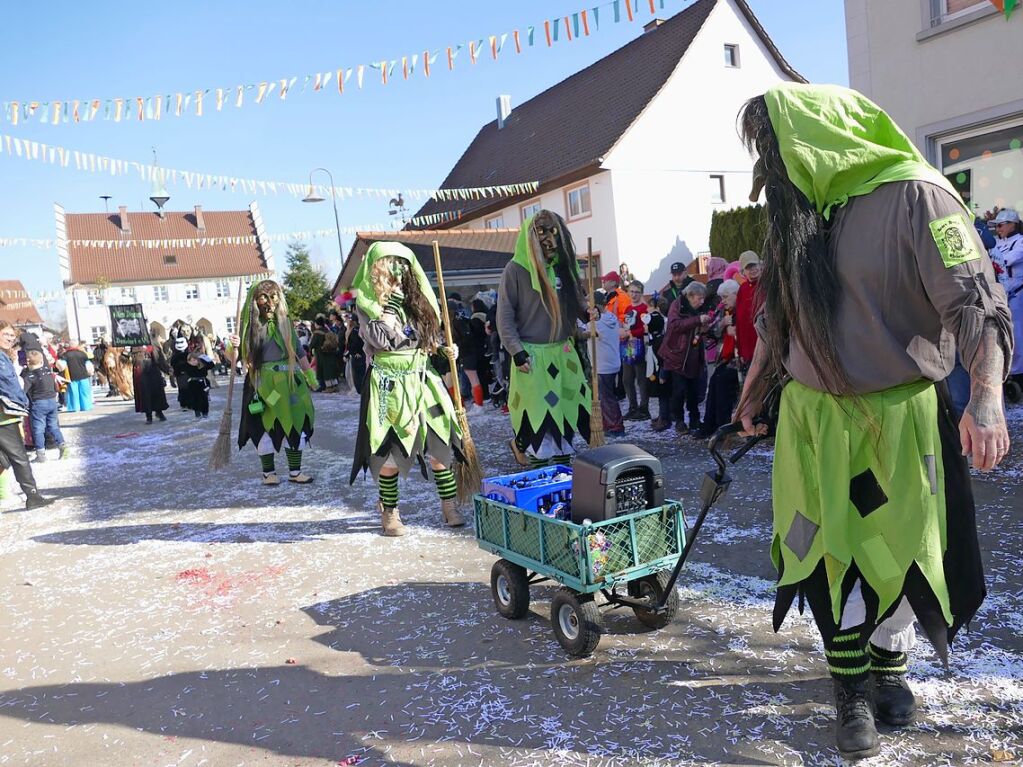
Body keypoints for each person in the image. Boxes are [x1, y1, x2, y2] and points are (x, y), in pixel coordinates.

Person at [736, 84, 1012, 760]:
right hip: (811, 425)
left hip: (899, 420)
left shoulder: (917, 195)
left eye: (772, 151)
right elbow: (778, 321)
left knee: (900, 551)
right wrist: (749, 393)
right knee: (826, 555)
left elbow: (977, 306)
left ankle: (889, 667)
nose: (768, 170)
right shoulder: (801, 210)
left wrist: (986, 398)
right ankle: (848, 686)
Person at [348, 241, 466, 536]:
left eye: (400, 265)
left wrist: (446, 350)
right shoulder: (366, 305)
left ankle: (449, 504)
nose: (394, 272)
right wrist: (389, 309)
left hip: (423, 380)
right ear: (375, 271)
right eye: (387, 265)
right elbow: (379, 340)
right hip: (388, 385)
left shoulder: (419, 302)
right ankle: (389, 512)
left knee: (440, 448)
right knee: (390, 454)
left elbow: (428, 340)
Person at [497, 210, 591, 467]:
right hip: (532, 357)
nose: (549, 242)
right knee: (539, 422)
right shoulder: (515, 270)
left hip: (563, 355)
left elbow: (576, 301)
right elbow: (504, 317)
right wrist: (517, 352)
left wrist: (587, 310)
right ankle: (538, 480)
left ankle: (564, 485)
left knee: (564, 419)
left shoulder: (563, 266)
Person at [228, 280, 316, 485]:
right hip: (262, 385)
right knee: (264, 427)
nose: (269, 302)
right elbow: (237, 357)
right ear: (255, 302)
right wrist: (234, 347)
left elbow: (299, 352)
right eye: (263, 297)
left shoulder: (286, 324)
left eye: (273, 296)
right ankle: (269, 473)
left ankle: (295, 472)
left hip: (290, 384)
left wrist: (309, 374)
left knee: (295, 424)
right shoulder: (250, 329)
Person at [0, 321, 53, 509]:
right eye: (5, 334)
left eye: (12, 336)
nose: (10, 338)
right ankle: (33, 496)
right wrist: (21, 401)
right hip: (5, 414)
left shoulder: (5, 356)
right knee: (18, 456)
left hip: (8, 412)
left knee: (4, 458)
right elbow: (9, 385)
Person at [660, 282, 712, 433]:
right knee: (679, 390)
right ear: (689, 296)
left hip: (694, 355)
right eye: (699, 298)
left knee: (693, 391)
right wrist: (697, 320)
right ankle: (679, 421)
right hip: (677, 354)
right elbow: (674, 325)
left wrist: (704, 329)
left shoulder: (701, 308)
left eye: (703, 298)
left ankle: (695, 420)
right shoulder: (677, 305)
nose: (702, 302)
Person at [697, 279, 741, 438]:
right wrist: (722, 324)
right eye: (721, 297)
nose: (722, 301)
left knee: (722, 381)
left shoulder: (743, 309)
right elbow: (711, 331)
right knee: (715, 381)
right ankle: (709, 425)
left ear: (736, 295)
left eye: (725, 297)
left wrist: (736, 331)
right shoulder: (724, 310)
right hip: (726, 358)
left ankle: (722, 427)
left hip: (740, 359)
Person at [990, 208, 1023, 380]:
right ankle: (1006, 373)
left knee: (1018, 336)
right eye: (996, 226)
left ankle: (1018, 376)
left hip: (1017, 296)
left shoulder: (1021, 241)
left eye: (1001, 225)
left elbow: (1007, 260)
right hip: (999, 296)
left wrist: (993, 257)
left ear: (1013, 224)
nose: (998, 229)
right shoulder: (995, 242)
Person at [21, 349, 68, 462]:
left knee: (38, 429)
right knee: (53, 426)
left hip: (38, 404)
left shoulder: (30, 376)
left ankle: (41, 454)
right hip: (52, 401)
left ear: (28, 363)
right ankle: (62, 446)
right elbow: (55, 387)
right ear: (42, 361)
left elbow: (24, 391)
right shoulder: (49, 373)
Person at [590, 289, 625, 437]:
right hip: (612, 362)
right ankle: (609, 423)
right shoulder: (611, 318)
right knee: (607, 396)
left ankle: (615, 425)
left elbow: (587, 331)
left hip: (602, 365)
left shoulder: (598, 323)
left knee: (606, 397)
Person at [621, 280, 650, 421]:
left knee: (641, 378)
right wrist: (624, 333)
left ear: (641, 293)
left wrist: (631, 333)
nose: (633, 295)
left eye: (636, 292)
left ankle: (644, 408)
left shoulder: (644, 309)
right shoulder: (628, 309)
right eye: (631, 291)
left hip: (639, 345)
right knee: (627, 378)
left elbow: (645, 329)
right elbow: (626, 325)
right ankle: (633, 407)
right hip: (628, 346)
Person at [734, 251, 762, 370]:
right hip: (748, 351)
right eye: (748, 267)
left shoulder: (769, 285)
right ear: (743, 272)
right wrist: (740, 351)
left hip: (766, 349)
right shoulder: (742, 289)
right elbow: (739, 323)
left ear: (760, 265)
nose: (753, 269)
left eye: (754, 265)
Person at [132, 345, 170, 424]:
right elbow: (129, 360)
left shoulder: (152, 346)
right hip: (141, 373)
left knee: (156, 392)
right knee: (145, 394)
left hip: (153, 372)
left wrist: (168, 370)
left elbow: (159, 360)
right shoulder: (134, 346)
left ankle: (159, 412)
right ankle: (148, 416)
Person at [310, 315, 342, 393]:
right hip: (330, 354)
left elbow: (312, 344)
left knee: (324, 372)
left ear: (317, 324)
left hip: (321, 355)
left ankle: (327, 387)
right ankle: (335, 386)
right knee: (330, 371)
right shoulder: (327, 330)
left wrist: (310, 349)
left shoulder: (317, 333)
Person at [60, 340, 94, 412]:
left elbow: (61, 366)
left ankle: (74, 408)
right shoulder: (82, 354)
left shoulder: (65, 355)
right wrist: (90, 373)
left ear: (69, 345)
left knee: (73, 393)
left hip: (72, 377)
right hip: (84, 375)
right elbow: (88, 365)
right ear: (77, 345)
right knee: (85, 392)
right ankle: (86, 406)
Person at [184, 352, 213, 419]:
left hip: (203, 383)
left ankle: (205, 412)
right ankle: (197, 411)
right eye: (191, 361)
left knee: (204, 398)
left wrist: (206, 358)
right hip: (193, 384)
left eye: (194, 360)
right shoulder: (187, 367)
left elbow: (211, 365)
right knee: (195, 398)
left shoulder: (202, 366)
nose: (193, 362)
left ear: (197, 360)